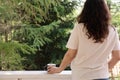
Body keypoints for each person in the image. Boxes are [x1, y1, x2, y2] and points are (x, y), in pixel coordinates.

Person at [47, 0, 120, 80]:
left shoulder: (79, 28)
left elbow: (71, 54)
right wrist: (104, 70)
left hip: (81, 76)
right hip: (102, 76)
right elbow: (117, 56)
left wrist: (60, 69)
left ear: (86, 10)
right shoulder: (112, 30)